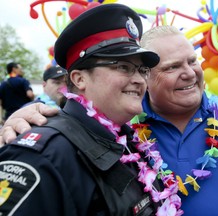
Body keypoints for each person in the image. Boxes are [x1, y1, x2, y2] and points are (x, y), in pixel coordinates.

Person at [1, 25, 218, 216]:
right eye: (172, 67)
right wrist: (29, 119)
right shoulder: (123, 127)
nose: (188, 73)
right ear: (148, 78)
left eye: (191, 61)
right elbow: (76, 123)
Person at [0, 4, 183, 216]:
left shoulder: (127, 140)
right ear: (79, 79)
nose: (139, 80)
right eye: (123, 67)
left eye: (142, 70)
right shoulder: (43, 157)